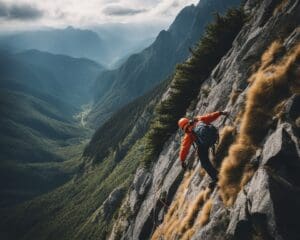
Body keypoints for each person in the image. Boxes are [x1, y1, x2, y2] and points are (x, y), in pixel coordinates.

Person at [178, 111, 228, 182]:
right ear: (188, 120)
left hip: (205, 143)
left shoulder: (188, 135)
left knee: (204, 161)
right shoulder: (198, 119)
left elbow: (184, 148)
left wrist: (182, 160)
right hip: (215, 135)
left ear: (182, 128)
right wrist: (220, 113)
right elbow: (210, 116)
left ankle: (215, 176)